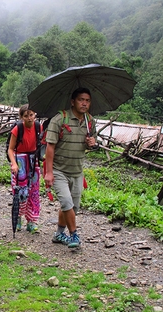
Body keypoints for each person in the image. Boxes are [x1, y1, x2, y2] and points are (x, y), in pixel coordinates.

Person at [44, 87, 98, 248]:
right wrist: (48, 172)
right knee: (67, 203)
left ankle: (59, 233)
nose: (84, 103)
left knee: (73, 207)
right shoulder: (59, 119)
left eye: (87, 100)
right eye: (81, 100)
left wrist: (92, 143)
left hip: (77, 171)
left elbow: (92, 141)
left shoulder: (89, 121)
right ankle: (74, 235)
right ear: (73, 101)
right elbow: (50, 147)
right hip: (59, 170)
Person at [7, 105, 42, 234]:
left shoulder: (39, 127)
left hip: (34, 160)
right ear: (21, 117)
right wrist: (14, 164)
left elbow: (43, 143)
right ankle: (18, 217)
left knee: (34, 191)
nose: (29, 118)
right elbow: (10, 149)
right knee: (21, 192)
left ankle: (32, 221)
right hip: (20, 160)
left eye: (31, 115)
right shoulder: (18, 129)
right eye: (26, 116)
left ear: (35, 115)